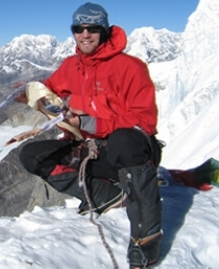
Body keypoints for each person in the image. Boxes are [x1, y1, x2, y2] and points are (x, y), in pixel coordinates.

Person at [18, 2, 163, 268]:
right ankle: (105, 194)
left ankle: (146, 237)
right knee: (32, 155)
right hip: (92, 148)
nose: (85, 34)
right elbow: (49, 89)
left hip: (132, 149)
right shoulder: (71, 66)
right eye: (78, 28)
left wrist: (89, 123)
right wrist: (27, 93)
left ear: (105, 30)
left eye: (92, 28)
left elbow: (145, 120)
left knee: (123, 140)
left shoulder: (130, 67)